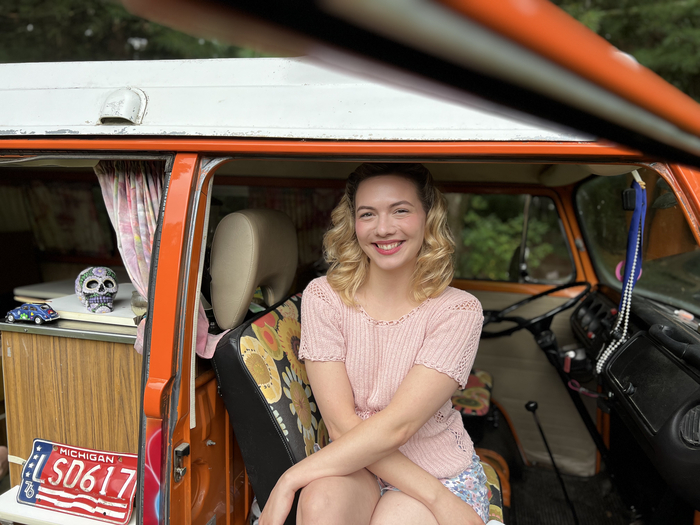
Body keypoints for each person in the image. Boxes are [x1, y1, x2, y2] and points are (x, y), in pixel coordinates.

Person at [259, 163, 489, 525]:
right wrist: (290, 480)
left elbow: (399, 427)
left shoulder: (458, 310)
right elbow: (339, 426)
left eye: (400, 210)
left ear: (428, 218)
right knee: (320, 503)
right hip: (353, 461)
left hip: (437, 474)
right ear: (353, 224)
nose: (384, 228)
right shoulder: (324, 297)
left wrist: (438, 496)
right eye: (368, 214)